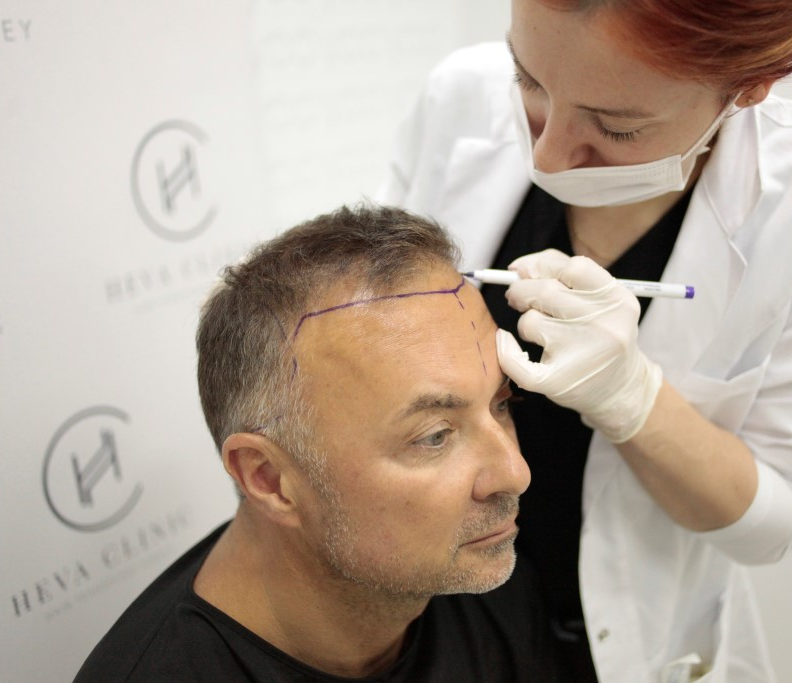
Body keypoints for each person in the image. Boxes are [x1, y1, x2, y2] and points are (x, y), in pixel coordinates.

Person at [377, 1, 792, 681]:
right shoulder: (460, 92)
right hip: (418, 618)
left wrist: (632, 397)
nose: (547, 154)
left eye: (616, 126)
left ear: (747, 88)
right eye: (529, 80)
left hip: (604, 643)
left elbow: (773, 522)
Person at [73, 205, 566, 682]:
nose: (515, 474)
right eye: (434, 437)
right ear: (269, 479)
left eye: (502, 404)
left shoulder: (478, 573)